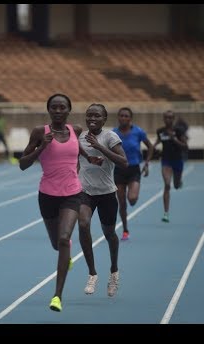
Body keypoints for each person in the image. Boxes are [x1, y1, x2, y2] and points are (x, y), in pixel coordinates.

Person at [19, 93, 82, 313]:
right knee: (57, 244)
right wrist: (40, 148)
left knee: (64, 239)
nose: (57, 111)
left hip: (73, 194)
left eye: (62, 107)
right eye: (54, 107)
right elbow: (22, 164)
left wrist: (87, 163)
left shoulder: (76, 131)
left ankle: (57, 296)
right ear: (49, 110)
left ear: (68, 110)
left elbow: (77, 154)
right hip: (47, 195)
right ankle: (66, 255)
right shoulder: (39, 132)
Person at [78, 103, 128, 298]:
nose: (92, 118)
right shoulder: (80, 137)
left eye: (97, 116)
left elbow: (124, 162)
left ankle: (114, 271)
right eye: (89, 115)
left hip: (107, 193)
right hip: (85, 192)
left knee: (109, 234)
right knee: (83, 224)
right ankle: (92, 273)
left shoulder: (110, 137)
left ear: (104, 119)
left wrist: (99, 147)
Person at [112, 107, 154, 241]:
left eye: (126, 116)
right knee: (122, 203)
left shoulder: (138, 132)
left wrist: (146, 163)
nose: (124, 118)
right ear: (118, 117)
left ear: (130, 118)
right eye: (121, 116)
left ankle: (133, 196)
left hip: (134, 169)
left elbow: (151, 146)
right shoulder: (113, 133)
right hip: (119, 171)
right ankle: (125, 229)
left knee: (132, 199)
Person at [152, 110, 188, 223]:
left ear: (173, 119)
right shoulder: (160, 131)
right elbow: (157, 142)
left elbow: (185, 146)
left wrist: (174, 139)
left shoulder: (179, 131)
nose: (168, 119)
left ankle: (179, 181)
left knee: (176, 185)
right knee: (167, 185)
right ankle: (166, 213)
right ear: (163, 119)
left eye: (170, 118)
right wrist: (152, 148)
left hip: (178, 161)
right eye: (166, 117)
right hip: (166, 161)